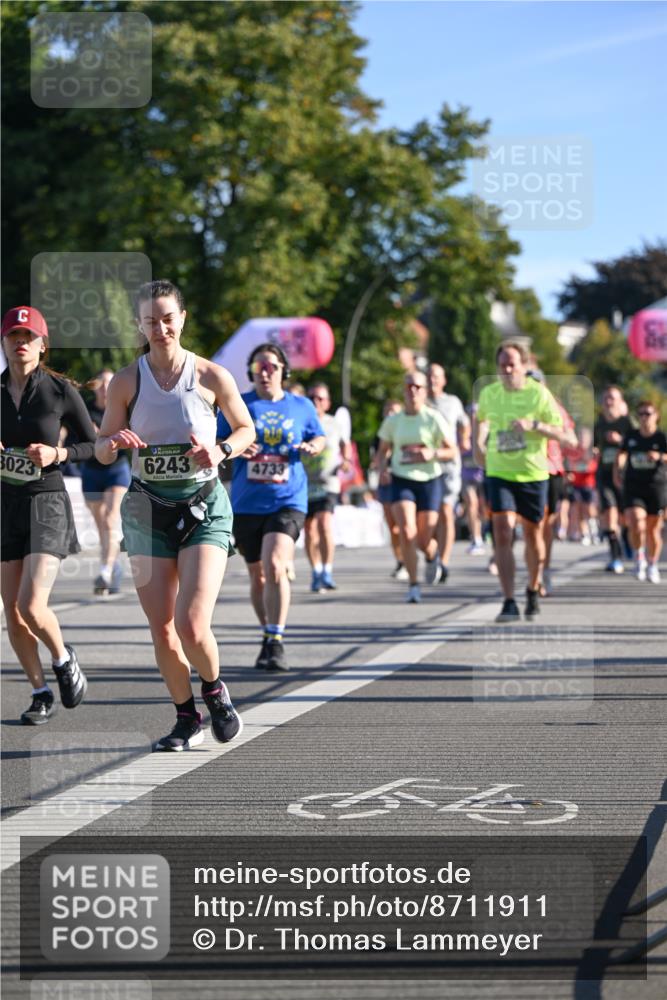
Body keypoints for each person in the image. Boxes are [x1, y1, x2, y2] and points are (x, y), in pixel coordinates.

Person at [95, 280, 255, 751]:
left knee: (190, 623)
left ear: (182, 318)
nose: (160, 327)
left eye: (167, 318)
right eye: (150, 320)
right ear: (139, 326)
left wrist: (221, 449)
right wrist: (114, 443)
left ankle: (215, 689)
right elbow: (102, 449)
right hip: (146, 511)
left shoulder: (210, 376)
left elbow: (246, 429)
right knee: (161, 626)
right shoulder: (127, 380)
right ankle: (186, 718)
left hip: (203, 506)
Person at [1, 306, 95, 725]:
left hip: (47, 502)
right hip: (6, 505)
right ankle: (40, 692)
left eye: (28, 337)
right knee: (12, 612)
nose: (20, 343)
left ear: (42, 345)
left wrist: (58, 452)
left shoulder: (58, 391)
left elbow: (95, 444)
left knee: (32, 605)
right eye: (12, 337)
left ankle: (62, 657)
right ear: (4, 344)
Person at [218, 343, 325, 671]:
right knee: (258, 574)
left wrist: (311, 446)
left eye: (272, 367)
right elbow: (218, 449)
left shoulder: (301, 405)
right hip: (247, 503)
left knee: (275, 563)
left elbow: (319, 437)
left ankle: (275, 640)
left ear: (283, 372)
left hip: (288, 500)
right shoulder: (238, 405)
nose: (265, 372)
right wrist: (235, 449)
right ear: (251, 372)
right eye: (259, 367)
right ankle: (267, 632)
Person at [474, 342, 570, 622]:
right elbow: (481, 422)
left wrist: (535, 426)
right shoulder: (490, 394)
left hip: (533, 474)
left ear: (524, 366)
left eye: (512, 364)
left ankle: (532, 587)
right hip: (499, 471)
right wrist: (479, 441)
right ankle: (508, 600)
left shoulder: (539, 394)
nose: (507, 369)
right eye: (502, 364)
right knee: (502, 530)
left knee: (533, 536)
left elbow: (562, 433)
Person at [376, 371, 456, 603]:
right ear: (404, 390)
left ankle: (432, 556)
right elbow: (383, 451)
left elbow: (452, 450)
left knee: (423, 539)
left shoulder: (433, 418)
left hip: (430, 481)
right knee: (407, 531)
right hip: (402, 479)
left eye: (418, 387)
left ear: (425, 392)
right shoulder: (393, 421)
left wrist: (433, 453)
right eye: (409, 386)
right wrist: (382, 469)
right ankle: (413, 585)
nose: (413, 391)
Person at [80, 369, 131, 595]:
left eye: (109, 384)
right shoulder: (86, 411)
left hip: (116, 470)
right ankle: (112, 564)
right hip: (91, 472)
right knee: (102, 527)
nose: (104, 388)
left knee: (110, 520)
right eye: (101, 384)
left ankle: (105, 571)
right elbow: (71, 437)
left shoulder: (122, 409)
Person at [303, 381, 352, 592]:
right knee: (310, 529)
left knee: (324, 524)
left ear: (328, 402)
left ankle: (327, 570)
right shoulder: (302, 422)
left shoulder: (334, 424)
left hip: (328, 482)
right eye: (312, 397)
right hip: (305, 482)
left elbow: (345, 444)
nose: (316, 401)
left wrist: (346, 460)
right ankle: (315, 571)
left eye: (320, 398)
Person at [614, 401, 666, 583]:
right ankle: (639, 557)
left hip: (656, 487)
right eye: (641, 414)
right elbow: (621, 453)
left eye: (648, 414)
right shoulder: (631, 436)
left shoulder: (661, 438)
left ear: (656, 416)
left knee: (653, 531)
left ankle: (652, 564)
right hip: (633, 486)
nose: (644, 417)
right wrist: (618, 469)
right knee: (636, 523)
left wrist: (659, 456)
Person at [427, 363, 470, 582]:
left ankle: (443, 562)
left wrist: (464, 439)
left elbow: (465, 423)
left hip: (449, 466)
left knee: (445, 512)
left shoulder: (453, 402)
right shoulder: (420, 402)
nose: (432, 380)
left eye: (436, 377)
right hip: (424, 468)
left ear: (443, 380)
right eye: (429, 376)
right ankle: (431, 552)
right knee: (427, 519)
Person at [594, 386, 634, 573]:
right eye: (606, 398)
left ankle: (626, 537)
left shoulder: (627, 423)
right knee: (610, 515)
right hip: (604, 474)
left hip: (625, 476)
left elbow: (637, 445)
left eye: (613, 398)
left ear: (620, 401)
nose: (609, 402)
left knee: (625, 518)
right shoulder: (599, 423)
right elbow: (593, 445)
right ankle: (615, 557)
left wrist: (620, 441)